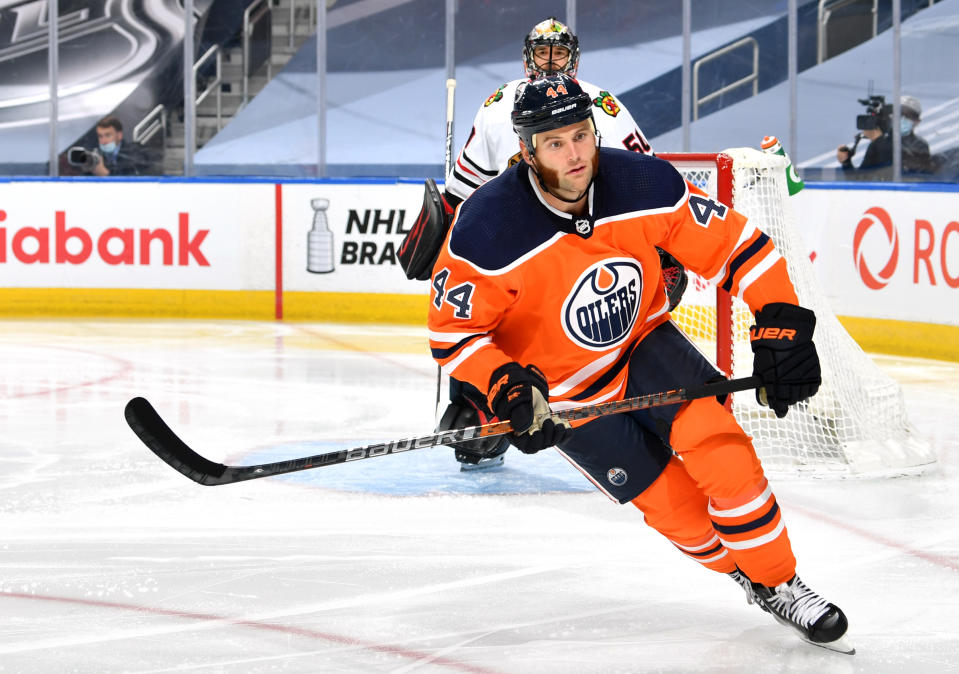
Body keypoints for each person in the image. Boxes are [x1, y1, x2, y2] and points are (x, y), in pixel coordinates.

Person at [427, 74, 850, 650]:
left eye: (581, 135)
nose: (576, 154)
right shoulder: (487, 227)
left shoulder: (643, 183)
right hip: (564, 394)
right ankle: (745, 576)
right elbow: (456, 335)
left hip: (645, 347)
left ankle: (782, 582)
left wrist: (781, 326)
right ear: (526, 151)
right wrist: (504, 387)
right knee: (677, 509)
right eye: (556, 143)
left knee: (724, 458)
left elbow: (739, 248)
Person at [400, 17, 686, 471]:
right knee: (487, 323)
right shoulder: (497, 108)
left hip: (590, 251)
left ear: (573, 55)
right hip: (513, 251)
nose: (551, 61)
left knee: (605, 333)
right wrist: (436, 240)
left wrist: (665, 252)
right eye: (542, 52)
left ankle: (637, 422)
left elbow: (647, 183)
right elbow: (463, 189)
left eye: (559, 52)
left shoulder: (603, 106)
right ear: (527, 55)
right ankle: (482, 415)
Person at [836, 95, 934, 176]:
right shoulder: (879, 143)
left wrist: (879, 141)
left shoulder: (920, 145)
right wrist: (846, 163)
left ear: (917, 122)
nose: (902, 119)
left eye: (908, 116)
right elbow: (860, 181)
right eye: (899, 114)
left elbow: (910, 173)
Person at [71, 116, 156, 177]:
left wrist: (105, 174)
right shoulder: (96, 155)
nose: (103, 141)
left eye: (108, 135)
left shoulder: (134, 153)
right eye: (100, 136)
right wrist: (88, 168)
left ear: (119, 135)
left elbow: (131, 181)